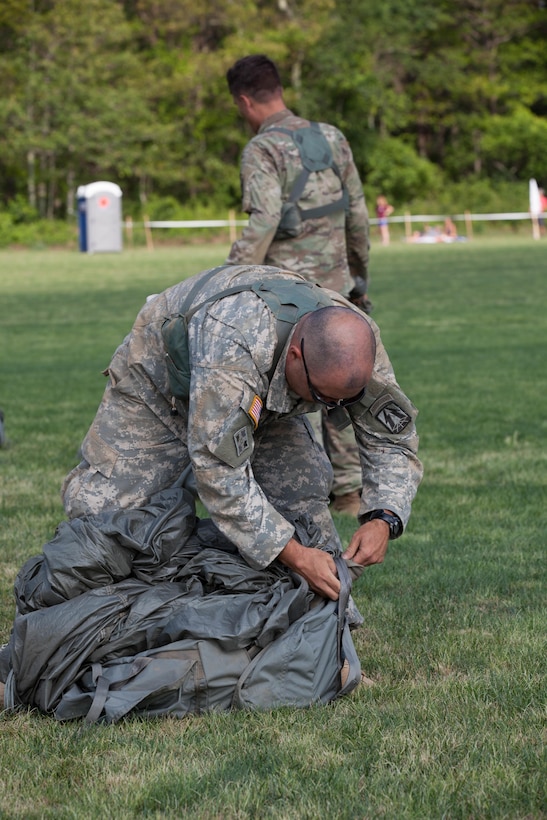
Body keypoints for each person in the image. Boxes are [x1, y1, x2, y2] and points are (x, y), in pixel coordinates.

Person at [61, 264, 423, 603]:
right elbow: (220, 474)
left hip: (264, 389)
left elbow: (391, 436)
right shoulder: (234, 342)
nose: (330, 408)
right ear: (296, 356)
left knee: (302, 495)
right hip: (161, 384)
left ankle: (326, 638)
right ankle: (81, 617)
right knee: (103, 512)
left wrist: (384, 517)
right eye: (321, 397)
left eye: (343, 401)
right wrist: (294, 556)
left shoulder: (356, 343)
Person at [225, 53, 371, 516]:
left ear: (245, 101)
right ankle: (348, 490)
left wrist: (228, 280)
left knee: (282, 387)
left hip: (285, 297)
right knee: (340, 380)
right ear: (279, 90)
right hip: (336, 289)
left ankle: (282, 489)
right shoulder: (331, 137)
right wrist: (358, 274)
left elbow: (265, 219)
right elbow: (358, 213)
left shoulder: (262, 150)